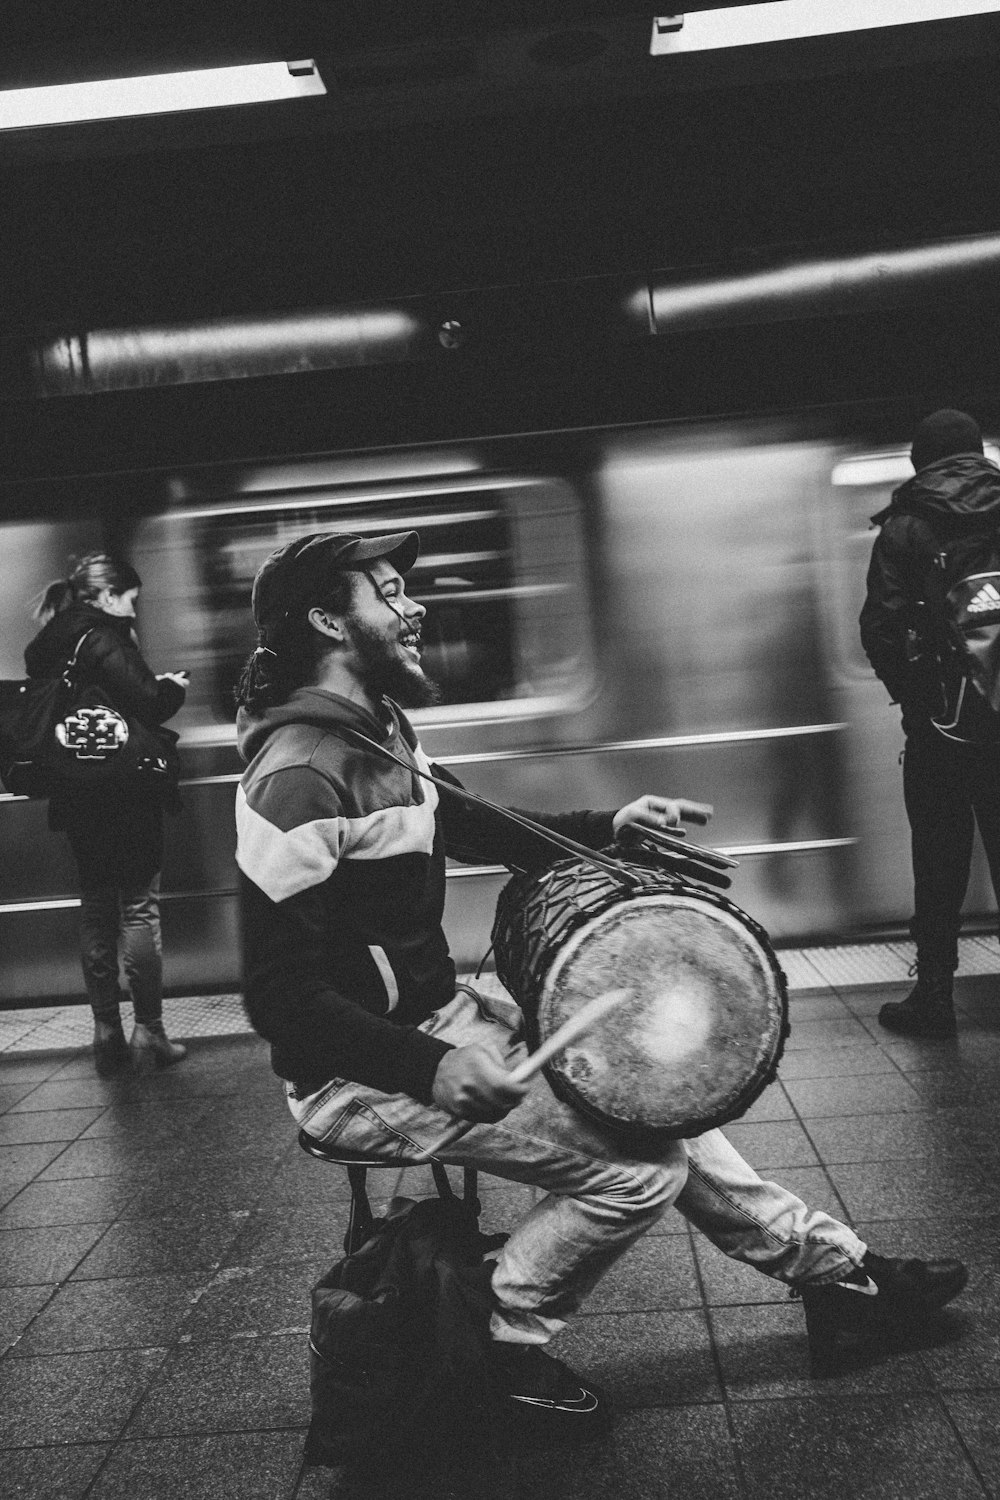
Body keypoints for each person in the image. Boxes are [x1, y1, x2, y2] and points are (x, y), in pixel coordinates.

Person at [235, 529, 967, 1438]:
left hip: (433, 1029)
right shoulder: (298, 778)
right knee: (637, 1171)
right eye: (386, 593)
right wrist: (428, 1068)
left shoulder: (378, 732)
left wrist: (606, 827)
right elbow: (279, 998)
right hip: (356, 1076)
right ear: (325, 620)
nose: (412, 607)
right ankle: (496, 1349)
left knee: (650, 1102)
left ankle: (841, 1279)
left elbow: (469, 824)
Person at [860, 409, 1000, 1038]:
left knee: (939, 866)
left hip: (944, 728)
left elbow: (881, 628)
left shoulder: (907, 526)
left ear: (921, 458)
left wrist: (918, 704)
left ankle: (935, 999)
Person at [25, 553, 189, 1076]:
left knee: (96, 908)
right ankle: (151, 1032)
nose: (133, 610)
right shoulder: (102, 636)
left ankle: (105, 1034)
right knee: (138, 908)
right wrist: (174, 687)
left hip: (76, 794)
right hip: (125, 793)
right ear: (108, 594)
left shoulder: (50, 642)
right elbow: (149, 701)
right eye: (131, 599)